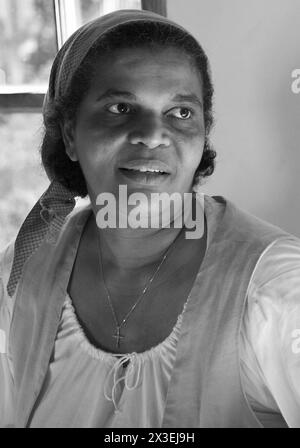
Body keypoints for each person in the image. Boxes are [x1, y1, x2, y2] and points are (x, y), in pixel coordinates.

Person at [0, 8, 300, 428]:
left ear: (203, 132)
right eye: (121, 107)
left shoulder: (273, 289)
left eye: (180, 113)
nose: (154, 134)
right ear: (69, 133)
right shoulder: (25, 271)